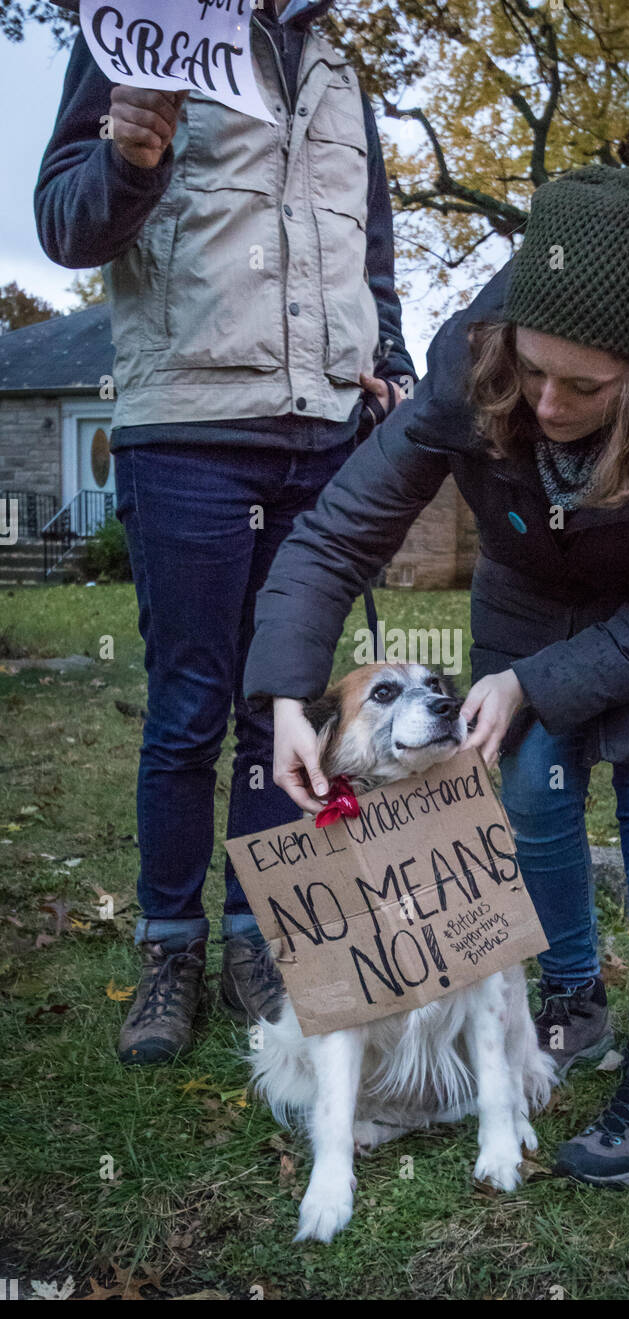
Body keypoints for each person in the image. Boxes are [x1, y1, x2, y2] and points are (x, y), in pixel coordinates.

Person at [242, 161, 629, 1188]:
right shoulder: (467, 359)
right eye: (534, 373)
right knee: (528, 789)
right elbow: (339, 533)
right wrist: (282, 699)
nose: (549, 401)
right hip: (534, 580)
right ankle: (571, 996)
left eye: (585, 386)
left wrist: (536, 682)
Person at [34, 0, 415, 1065]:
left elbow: (369, 249)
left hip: (325, 434)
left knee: (277, 704)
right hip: (192, 430)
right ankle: (169, 947)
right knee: (191, 705)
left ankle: (256, 930)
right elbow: (65, 223)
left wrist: (393, 359)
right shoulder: (139, 30)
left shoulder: (342, 69)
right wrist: (132, 154)